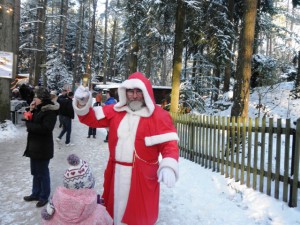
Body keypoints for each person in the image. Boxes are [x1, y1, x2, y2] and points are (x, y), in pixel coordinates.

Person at [73, 72, 179, 225]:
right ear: (125, 92)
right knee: (113, 213)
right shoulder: (115, 111)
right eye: (131, 91)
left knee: (138, 216)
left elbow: (169, 145)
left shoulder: (160, 116)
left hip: (142, 177)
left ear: (146, 93)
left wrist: (168, 165)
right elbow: (89, 118)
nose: (134, 96)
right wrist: (82, 102)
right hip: (116, 173)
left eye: (138, 91)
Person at [40, 154, 113, 225]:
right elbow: (105, 218)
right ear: (90, 183)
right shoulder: (95, 205)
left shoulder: (57, 199)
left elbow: (48, 214)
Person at [23, 87, 59, 208]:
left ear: (42, 99)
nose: (34, 100)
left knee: (43, 173)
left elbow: (46, 129)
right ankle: (35, 193)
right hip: (34, 147)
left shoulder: (50, 112)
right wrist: (31, 110)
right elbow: (31, 120)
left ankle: (44, 196)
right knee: (35, 172)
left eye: (36, 98)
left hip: (43, 148)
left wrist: (29, 124)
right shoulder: (38, 109)